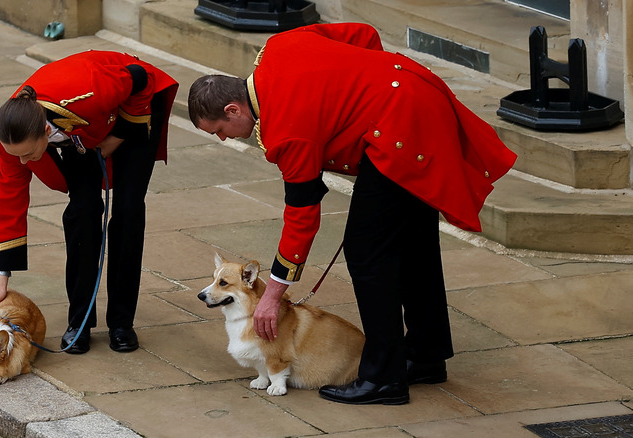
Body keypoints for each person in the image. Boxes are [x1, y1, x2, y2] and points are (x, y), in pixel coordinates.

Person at [188, 22, 516, 405]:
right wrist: (370, 86)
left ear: (233, 108)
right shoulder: (278, 47)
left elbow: (302, 216)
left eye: (221, 130)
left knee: (367, 254)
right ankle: (426, 356)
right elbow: (362, 34)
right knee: (413, 242)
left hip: (399, 132)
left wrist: (272, 294)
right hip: (416, 94)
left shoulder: (286, 131)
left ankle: (384, 378)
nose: (225, 138)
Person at [0, 50, 178, 354]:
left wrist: (118, 136)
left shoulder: (90, 91)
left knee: (128, 210)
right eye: (16, 154)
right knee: (83, 211)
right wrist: (1, 281)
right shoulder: (9, 138)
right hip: (81, 133)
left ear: (45, 132)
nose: (21, 161)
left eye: (26, 153)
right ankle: (80, 322)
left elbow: (141, 79)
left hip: (131, 109)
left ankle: (121, 323)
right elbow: (8, 205)